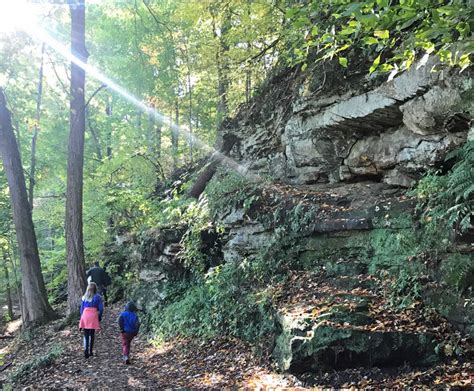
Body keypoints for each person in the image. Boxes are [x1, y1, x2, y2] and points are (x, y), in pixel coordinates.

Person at [79, 282, 103, 359]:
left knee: (86, 334)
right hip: (93, 315)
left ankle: (85, 349)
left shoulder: (84, 297)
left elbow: (81, 309)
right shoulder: (98, 297)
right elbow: (101, 309)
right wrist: (99, 316)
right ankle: (90, 351)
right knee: (92, 334)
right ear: (95, 289)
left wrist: (82, 317)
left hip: (85, 315)